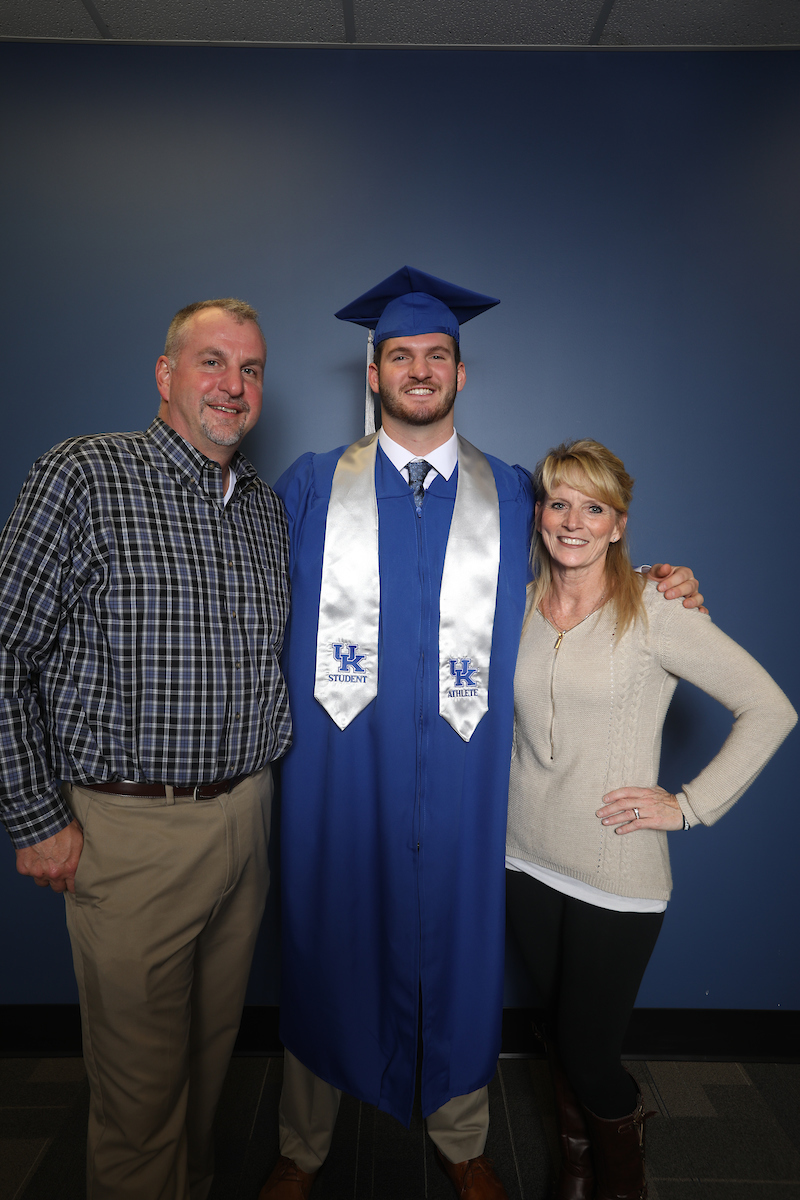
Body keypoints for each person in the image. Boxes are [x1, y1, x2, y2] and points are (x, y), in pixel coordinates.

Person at [259, 268, 701, 1200]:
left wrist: (661, 583)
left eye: (437, 356)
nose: (419, 370)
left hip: (466, 776)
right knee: (325, 939)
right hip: (340, 773)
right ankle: (302, 1148)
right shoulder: (313, 486)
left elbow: (582, 577)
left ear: (461, 374)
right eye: (400, 355)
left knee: (456, 950)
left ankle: (462, 1141)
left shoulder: (509, 492)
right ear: (374, 373)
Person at [0, 298, 291, 1200]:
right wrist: (36, 817)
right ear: (165, 375)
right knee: (140, 1094)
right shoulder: (86, 475)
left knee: (207, 1066)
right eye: (212, 362)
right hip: (132, 833)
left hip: (248, 819)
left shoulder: (265, 510)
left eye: (249, 369)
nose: (232, 386)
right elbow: (4, 652)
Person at [505, 438, 796, 1200]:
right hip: (522, 859)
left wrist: (689, 805)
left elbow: (770, 708)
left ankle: (622, 1176)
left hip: (614, 871)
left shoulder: (656, 608)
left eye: (593, 508)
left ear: (618, 524)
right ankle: (575, 1168)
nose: (573, 521)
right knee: (557, 1033)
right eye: (559, 503)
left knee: (588, 1051)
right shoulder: (517, 608)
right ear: (540, 514)